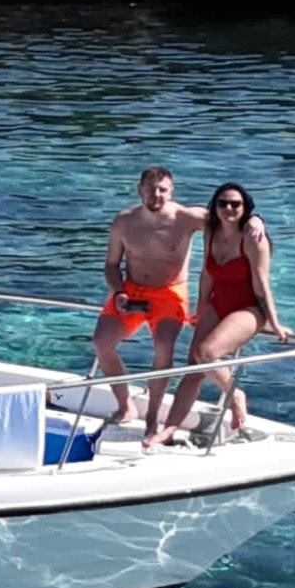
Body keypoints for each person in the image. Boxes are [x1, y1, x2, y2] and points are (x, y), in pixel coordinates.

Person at [147, 184, 294, 447]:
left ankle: (235, 395)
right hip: (218, 303)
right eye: (223, 203)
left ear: (245, 208)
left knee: (206, 354)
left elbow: (261, 285)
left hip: (250, 308)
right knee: (193, 367)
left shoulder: (253, 238)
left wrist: (274, 323)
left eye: (236, 204)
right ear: (214, 206)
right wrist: (202, 307)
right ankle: (168, 430)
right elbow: (207, 273)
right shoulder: (211, 231)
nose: (229, 208)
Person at [94, 166, 210, 433]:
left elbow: (230, 219)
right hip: (131, 291)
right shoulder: (123, 222)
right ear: (139, 191)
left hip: (169, 292)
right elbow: (111, 265)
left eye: (162, 190)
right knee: (101, 343)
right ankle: (126, 405)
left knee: (163, 347)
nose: (156, 195)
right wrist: (119, 291)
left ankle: (152, 417)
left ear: (171, 192)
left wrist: (256, 220)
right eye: (150, 189)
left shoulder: (187, 217)